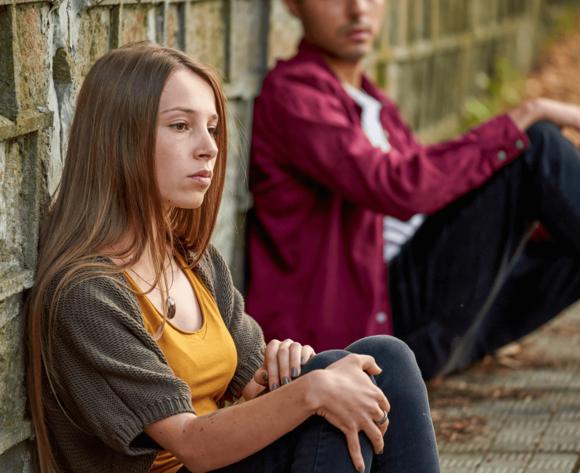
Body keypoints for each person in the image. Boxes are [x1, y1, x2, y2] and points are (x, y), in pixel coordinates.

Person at [245, 0, 580, 384]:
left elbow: (440, 199)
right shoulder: (294, 96)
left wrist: (579, 233)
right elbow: (398, 186)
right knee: (537, 146)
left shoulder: (372, 102)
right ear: (294, 2)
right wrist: (523, 114)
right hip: (386, 337)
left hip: (455, 314)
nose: (358, 7)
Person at [25, 42, 440, 473]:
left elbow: (258, 385)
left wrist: (283, 370)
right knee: (327, 390)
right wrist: (309, 390)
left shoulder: (194, 263)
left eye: (213, 128)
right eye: (181, 126)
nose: (209, 148)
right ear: (119, 138)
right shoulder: (85, 297)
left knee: (383, 358)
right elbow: (191, 444)